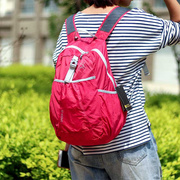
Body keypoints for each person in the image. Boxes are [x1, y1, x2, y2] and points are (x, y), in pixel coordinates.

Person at [52, 0, 180, 179]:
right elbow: (178, 28)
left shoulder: (70, 25)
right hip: (129, 144)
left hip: (81, 147)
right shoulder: (133, 20)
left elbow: (71, 88)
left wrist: (69, 142)